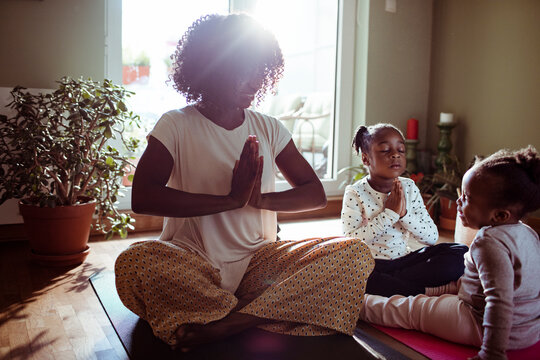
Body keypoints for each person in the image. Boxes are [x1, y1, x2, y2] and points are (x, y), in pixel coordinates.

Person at [114, 13, 374, 350]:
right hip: (193, 264)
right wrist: (229, 200)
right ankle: (271, 311)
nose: (255, 82)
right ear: (213, 68)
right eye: (244, 72)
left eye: (260, 73)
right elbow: (143, 197)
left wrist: (261, 200)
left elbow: (315, 194)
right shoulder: (175, 124)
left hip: (260, 264)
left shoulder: (269, 127)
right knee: (134, 263)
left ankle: (231, 322)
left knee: (354, 253)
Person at [360, 146, 540, 360]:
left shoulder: (489, 243)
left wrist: (492, 353)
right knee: (443, 287)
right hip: (528, 332)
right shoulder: (528, 233)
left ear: (499, 215)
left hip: (480, 325)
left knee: (412, 309)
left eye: (468, 198)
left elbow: (499, 302)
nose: (459, 201)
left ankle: (355, 305)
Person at [341, 124, 468, 296]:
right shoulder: (356, 192)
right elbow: (351, 241)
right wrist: (388, 215)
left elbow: (431, 237)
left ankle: (399, 286)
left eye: (401, 150)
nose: (395, 154)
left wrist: (404, 215)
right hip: (371, 266)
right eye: (385, 150)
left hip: (404, 261)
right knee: (353, 276)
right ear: (366, 159)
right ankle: (422, 290)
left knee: (460, 253)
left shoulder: (409, 187)